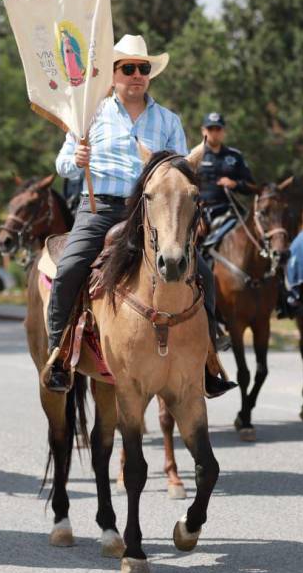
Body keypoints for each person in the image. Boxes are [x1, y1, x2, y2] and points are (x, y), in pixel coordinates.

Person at [41, 34, 235, 398]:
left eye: (143, 69)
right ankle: (59, 352)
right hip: (100, 207)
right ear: (113, 75)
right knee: (69, 268)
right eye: (127, 68)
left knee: (204, 273)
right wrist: (76, 160)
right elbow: (63, 164)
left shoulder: (168, 120)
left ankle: (208, 358)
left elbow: (181, 170)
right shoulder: (90, 113)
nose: (136, 75)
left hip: (151, 211)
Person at [196, 111, 255, 251]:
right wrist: (195, 217)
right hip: (201, 213)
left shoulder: (235, 156)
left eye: (218, 129)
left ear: (224, 131)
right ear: (203, 130)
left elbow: (252, 187)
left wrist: (235, 184)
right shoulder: (195, 155)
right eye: (210, 129)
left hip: (228, 212)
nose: (214, 133)